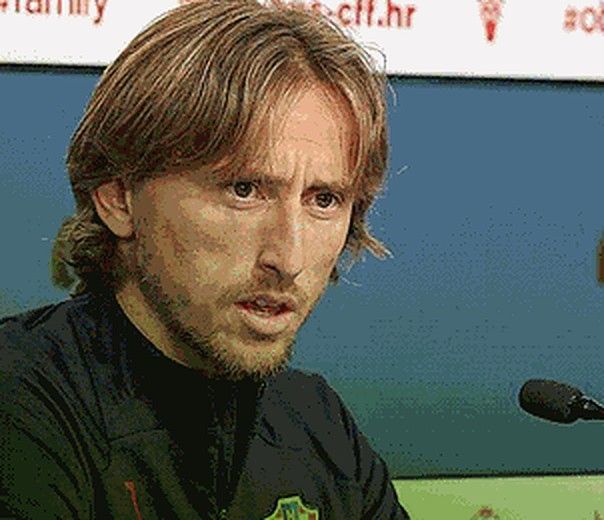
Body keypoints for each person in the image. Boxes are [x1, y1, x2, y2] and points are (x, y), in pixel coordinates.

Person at [0, 1, 409, 518]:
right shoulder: (20, 399)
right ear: (119, 197)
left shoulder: (320, 424)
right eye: (244, 190)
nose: (289, 258)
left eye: (324, 200)